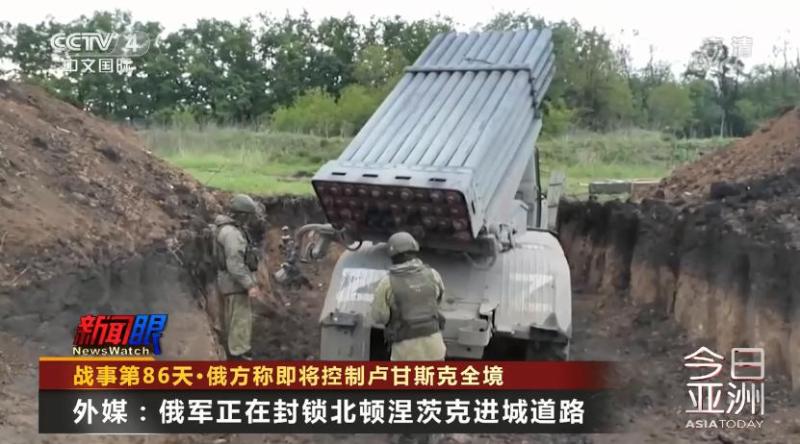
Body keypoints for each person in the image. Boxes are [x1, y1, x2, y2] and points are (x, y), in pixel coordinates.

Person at [213, 193, 265, 360]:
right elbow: (235, 265)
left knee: (232, 322)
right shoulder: (232, 234)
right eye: (248, 216)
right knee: (240, 323)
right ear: (242, 215)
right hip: (235, 286)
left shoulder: (221, 228)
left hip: (225, 282)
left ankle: (233, 354)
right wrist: (250, 285)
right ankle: (240, 357)